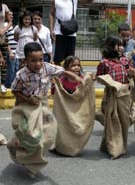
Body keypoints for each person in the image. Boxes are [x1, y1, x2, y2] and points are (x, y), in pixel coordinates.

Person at [7, 42, 81, 177]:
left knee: (49, 132)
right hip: (27, 107)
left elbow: (63, 71)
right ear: (25, 60)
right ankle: (16, 149)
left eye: (40, 59)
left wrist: (75, 77)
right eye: (33, 60)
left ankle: (32, 160)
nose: (38, 63)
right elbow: (15, 91)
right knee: (30, 135)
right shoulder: (21, 75)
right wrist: (29, 99)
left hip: (43, 105)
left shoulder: (47, 68)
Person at [96, 35, 135, 159]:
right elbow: (99, 77)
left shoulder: (125, 60)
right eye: (118, 45)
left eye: (122, 45)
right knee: (112, 121)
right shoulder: (104, 62)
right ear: (110, 47)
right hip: (111, 95)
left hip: (124, 95)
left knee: (124, 121)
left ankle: (111, 145)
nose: (121, 48)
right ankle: (115, 149)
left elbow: (130, 74)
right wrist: (110, 83)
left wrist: (131, 74)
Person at [53, 55, 96, 157]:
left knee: (78, 128)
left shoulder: (82, 79)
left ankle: (74, 147)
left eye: (78, 65)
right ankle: (63, 147)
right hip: (65, 110)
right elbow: (57, 93)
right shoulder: (62, 80)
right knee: (64, 128)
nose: (76, 67)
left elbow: (85, 93)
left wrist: (91, 80)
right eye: (73, 65)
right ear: (67, 68)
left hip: (78, 110)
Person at [49, 0, 94, 65]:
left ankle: (68, 74)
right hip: (59, 32)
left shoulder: (74, 0)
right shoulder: (55, 0)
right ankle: (58, 74)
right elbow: (51, 14)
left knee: (70, 60)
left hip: (71, 32)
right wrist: (51, 30)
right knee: (57, 59)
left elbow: (89, 0)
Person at [5, 11, 18, 90]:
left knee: (15, 70)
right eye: (9, 14)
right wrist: (10, 52)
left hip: (16, 52)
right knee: (11, 71)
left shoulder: (13, 26)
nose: (11, 16)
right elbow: (5, 40)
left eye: (12, 15)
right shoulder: (5, 25)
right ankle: (9, 87)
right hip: (11, 52)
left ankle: (14, 86)